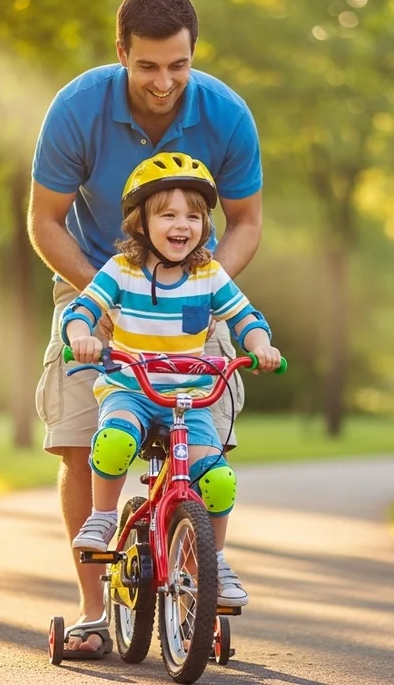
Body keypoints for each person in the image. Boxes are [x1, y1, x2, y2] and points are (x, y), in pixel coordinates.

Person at [27, 0, 264, 659]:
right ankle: (94, 613)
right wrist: (106, 299)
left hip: (192, 295)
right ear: (122, 53)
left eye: (179, 66)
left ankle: (203, 573)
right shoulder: (79, 107)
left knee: (209, 450)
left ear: (194, 56)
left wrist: (202, 291)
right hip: (94, 286)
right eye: (149, 66)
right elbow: (44, 220)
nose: (165, 82)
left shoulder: (225, 113)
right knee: (80, 439)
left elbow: (245, 223)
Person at [63, 150, 279, 609]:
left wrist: (259, 344)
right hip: (131, 389)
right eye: (168, 214)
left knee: (218, 480)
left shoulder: (208, 274)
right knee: (115, 441)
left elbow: (244, 316)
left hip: (190, 398)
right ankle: (102, 518)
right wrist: (82, 336)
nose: (182, 224)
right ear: (141, 223)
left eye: (194, 216)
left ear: (205, 224)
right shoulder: (121, 271)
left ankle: (215, 561)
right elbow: (83, 308)